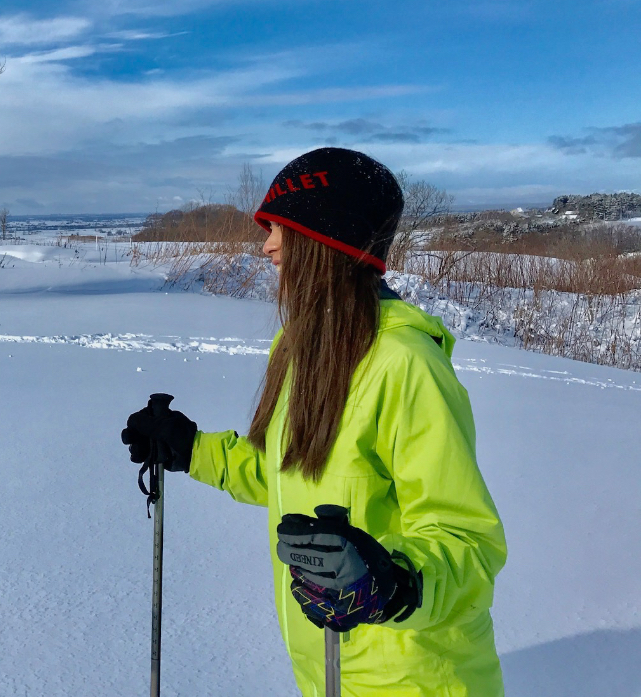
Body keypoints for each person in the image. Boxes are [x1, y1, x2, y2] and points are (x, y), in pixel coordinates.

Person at [121, 148, 506, 696]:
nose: (267, 245)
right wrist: (191, 449)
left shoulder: (405, 364)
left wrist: (394, 584)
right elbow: (289, 472)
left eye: (281, 228)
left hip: (414, 676)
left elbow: (469, 541)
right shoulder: (303, 347)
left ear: (329, 241)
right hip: (326, 669)